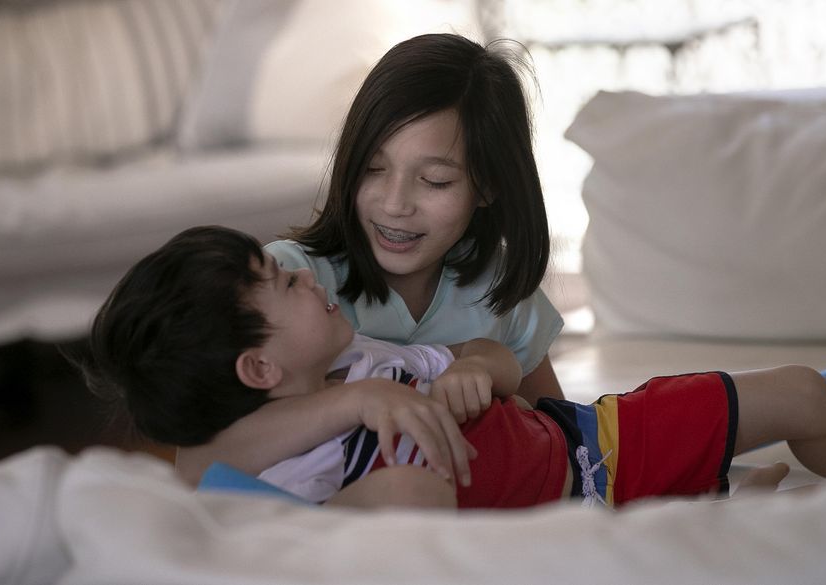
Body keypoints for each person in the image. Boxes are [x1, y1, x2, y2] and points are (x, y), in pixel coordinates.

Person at [81, 226, 826, 509]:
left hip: (597, 445)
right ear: (258, 367)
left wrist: (476, 367)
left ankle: (723, 491)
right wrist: (354, 409)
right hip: (567, 518)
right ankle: (721, 498)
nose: (306, 275)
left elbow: (499, 360)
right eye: (282, 282)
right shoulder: (287, 476)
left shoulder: (359, 356)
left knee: (804, 393)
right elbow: (197, 473)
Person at [177, 33, 565, 486]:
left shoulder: (499, 289)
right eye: (373, 168)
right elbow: (194, 465)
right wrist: (358, 401)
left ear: (489, 185)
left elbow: (563, 434)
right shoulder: (290, 284)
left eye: (435, 180)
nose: (395, 204)